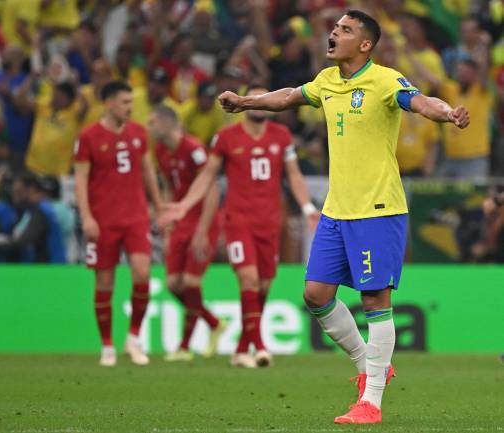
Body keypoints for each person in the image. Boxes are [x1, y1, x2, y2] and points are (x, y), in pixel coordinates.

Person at [215, 10, 469, 424]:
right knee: (315, 295)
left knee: (375, 300)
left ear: (365, 45)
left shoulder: (385, 79)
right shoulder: (327, 82)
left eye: (345, 30)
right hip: (337, 209)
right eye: (336, 28)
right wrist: (246, 102)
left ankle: (371, 402)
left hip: (378, 209)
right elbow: (288, 96)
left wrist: (447, 113)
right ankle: (371, 366)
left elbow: (421, 101)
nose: (334, 33)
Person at [161, 85, 320, 369]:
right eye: (254, 99)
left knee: (262, 286)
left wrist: (308, 208)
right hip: (238, 222)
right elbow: (207, 176)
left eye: (264, 99)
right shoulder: (226, 138)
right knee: (248, 279)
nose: (259, 104)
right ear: (245, 104)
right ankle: (259, 346)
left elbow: (294, 176)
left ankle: (240, 349)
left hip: (270, 223)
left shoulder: (281, 137)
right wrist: (184, 205)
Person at [74, 81, 162, 367]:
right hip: (103, 221)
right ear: (108, 103)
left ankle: (133, 337)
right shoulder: (88, 136)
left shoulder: (139, 133)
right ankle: (107, 345)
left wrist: (158, 205)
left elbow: (148, 171)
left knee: (142, 273)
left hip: (135, 217)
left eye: (130, 102)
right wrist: (86, 216)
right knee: (105, 283)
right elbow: (80, 180)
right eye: (124, 102)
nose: (130, 107)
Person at [148, 105, 226, 362]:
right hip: (181, 220)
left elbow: (211, 189)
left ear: (169, 123)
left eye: (153, 122)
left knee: (191, 283)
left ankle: (183, 347)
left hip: (202, 219)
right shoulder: (160, 151)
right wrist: (169, 222)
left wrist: (203, 230)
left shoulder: (193, 149)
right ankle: (214, 323)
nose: (150, 128)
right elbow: (170, 187)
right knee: (173, 284)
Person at [0, 173, 66, 263]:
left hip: (52, 270)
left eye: (18, 192)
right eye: (13, 192)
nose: (15, 197)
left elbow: (22, 242)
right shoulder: (36, 209)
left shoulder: (41, 211)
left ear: (31, 190)